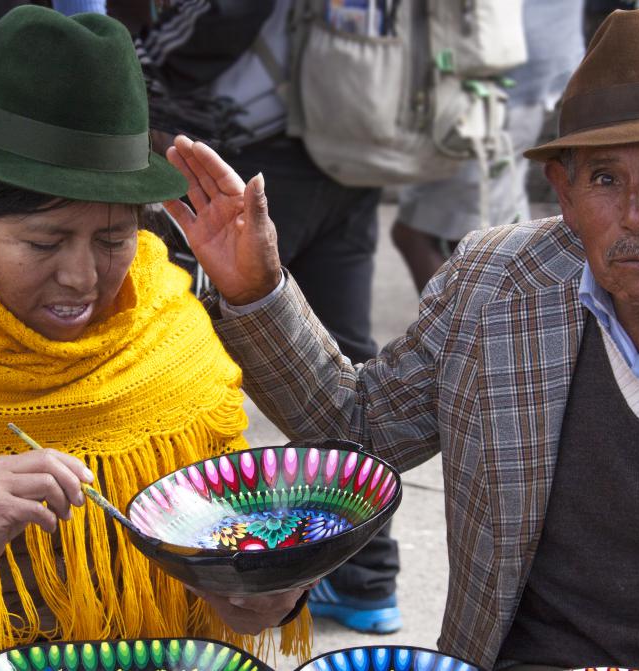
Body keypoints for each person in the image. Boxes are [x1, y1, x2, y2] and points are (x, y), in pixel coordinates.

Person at [165, 7, 639, 670]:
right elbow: (357, 429)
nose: (637, 214)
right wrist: (258, 291)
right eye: (603, 178)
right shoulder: (493, 285)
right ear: (561, 190)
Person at [0, 7, 308, 671]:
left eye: (113, 239)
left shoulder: (170, 339)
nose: (82, 277)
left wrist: (263, 596)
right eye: (43, 241)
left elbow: (232, 542)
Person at [137, 0, 401, 634]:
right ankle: (367, 579)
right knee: (342, 349)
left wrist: (134, 63)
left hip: (256, 148)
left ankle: (309, 568)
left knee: (215, 337)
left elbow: (208, 26)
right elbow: (349, 412)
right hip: (351, 139)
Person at [391, 0, 586, 293]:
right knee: (495, 229)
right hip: (519, 62)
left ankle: (462, 334)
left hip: (494, 70)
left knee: (428, 233)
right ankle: (493, 327)